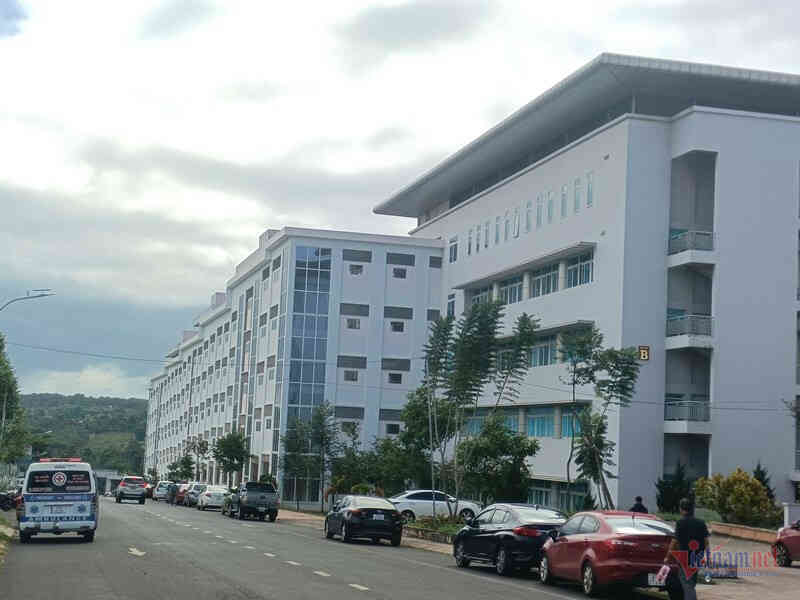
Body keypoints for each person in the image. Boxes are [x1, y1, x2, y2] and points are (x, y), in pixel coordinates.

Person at [664, 498, 710, 600]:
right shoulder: (701, 523)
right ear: (692, 509)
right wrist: (708, 557)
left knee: (688, 585)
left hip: (685, 558)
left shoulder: (680, 523)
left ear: (681, 509)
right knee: (691, 583)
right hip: (697, 557)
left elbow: (674, 541)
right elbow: (706, 542)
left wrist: (667, 557)